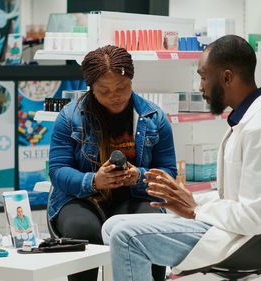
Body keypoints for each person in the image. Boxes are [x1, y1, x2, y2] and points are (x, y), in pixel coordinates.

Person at [102, 35, 261, 281]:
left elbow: (257, 217)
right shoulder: (247, 122)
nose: (200, 88)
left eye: (203, 77)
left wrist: (196, 209)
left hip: (242, 239)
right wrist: (190, 199)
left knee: (126, 236)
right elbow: (233, 196)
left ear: (227, 77)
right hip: (230, 227)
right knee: (112, 225)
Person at [48, 45, 177, 281]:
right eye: (104, 90)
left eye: (122, 87)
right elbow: (57, 171)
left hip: (134, 198)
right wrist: (94, 180)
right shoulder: (69, 117)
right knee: (82, 231)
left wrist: (140, 176)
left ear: (131, 80)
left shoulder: (154, 118)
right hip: (80, 199)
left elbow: (169, 173)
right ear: (91, 88)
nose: (115, 96)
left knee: (148, 228)